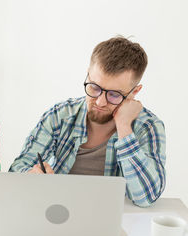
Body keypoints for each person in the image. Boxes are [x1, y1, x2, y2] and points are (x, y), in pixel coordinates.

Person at [9, 36, 166, 207]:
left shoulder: (148, 127)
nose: (100, 102)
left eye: (114, 94)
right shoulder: (60, 115)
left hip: (114, 222)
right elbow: (17, 170)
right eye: (94, 87)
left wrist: (124, 126)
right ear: (87, 75)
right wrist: (30, 175)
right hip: (58, 215)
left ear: (134, 92)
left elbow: (146, 197)